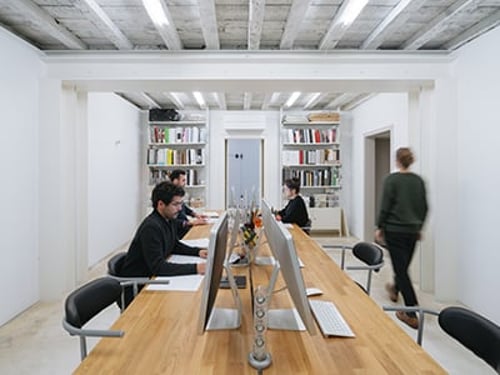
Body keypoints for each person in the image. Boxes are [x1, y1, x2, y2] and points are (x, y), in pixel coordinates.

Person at [120, 181, 208, 306]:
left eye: (181, 204)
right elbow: (159, 267)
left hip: (153, 279)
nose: (180, 208)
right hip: (140, 287)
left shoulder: (168, 219)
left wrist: (197, 251)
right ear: (160, 204)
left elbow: (174, 245)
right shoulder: (151, 227)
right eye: (175, 204)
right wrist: (195, 268)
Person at [375, 147, 428, 330]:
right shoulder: (418, 181)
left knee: (401, 269)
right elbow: (425, 207)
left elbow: (385, 205)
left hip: (394, 230)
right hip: (412, 231)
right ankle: (395, 289)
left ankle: (411, 312)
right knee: (403, 266)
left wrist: (379, 226)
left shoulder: (392, 180)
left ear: (397, 160)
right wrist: (419, 226)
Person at [169, 169, 208, 238]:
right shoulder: (169, 196)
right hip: (179, 233)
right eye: (183, 180)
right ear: (175, 181)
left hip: (185, 227)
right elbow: (170, 221)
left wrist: (196, 215)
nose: (185, 183)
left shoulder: (177, 194)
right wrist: (190, 223)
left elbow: (184, 207)